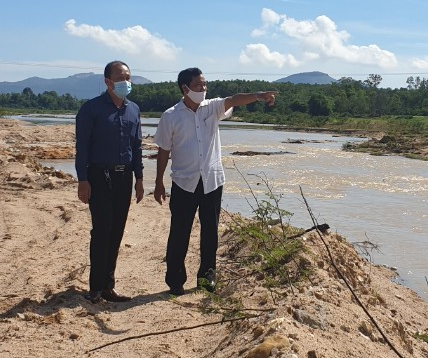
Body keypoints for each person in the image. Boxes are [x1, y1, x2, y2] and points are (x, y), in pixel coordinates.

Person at [153, 67, 277, 295]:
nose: (203, 88)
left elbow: (233, 100)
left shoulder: (212, 107)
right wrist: (159, 182)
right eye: (199, 85)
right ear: (185, 88)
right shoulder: (171, 116)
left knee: (210, 231)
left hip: (211, 181)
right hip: (183, 182)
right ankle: (175, 281)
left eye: (205, 84)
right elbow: (163, 150)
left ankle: (207, 277)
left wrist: (259, 96)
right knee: (180, 232)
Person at [75, 60, 145, 303]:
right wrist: (82, 180)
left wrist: (139, 178)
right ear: (107, 82)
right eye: (121, 77)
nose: (126, 82)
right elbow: (81, 148)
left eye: (128, 77)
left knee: (116, 232)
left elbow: (137, 146)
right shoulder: (91, 109)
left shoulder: (133, 109)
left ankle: (108, 286)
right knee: (102, 231)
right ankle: (95, 289)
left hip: (124, 177)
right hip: (99, 177)